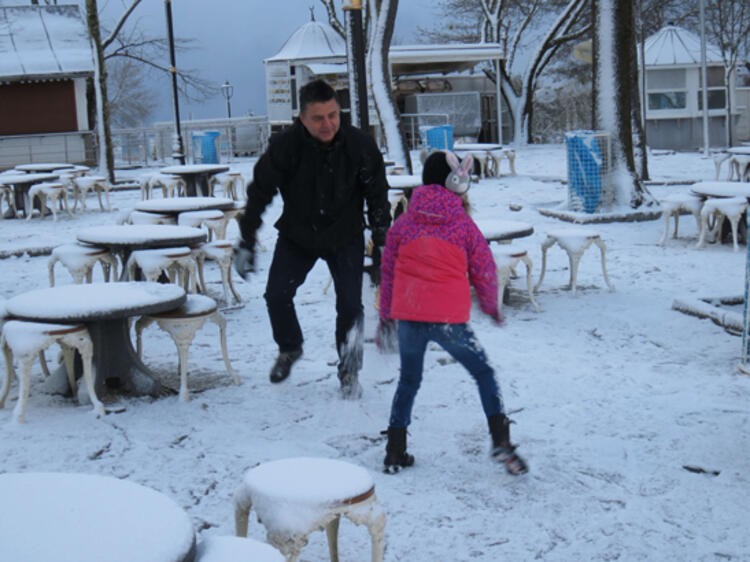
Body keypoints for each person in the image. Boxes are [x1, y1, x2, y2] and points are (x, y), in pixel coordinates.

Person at [234, 79, 391, 399]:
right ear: (302, 118)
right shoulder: (285, 146)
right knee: (276, 295)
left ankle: (350, 369)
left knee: (350, 306)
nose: (328, 124)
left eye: (333, 115)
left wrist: (381, 239)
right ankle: (289, 348)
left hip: (345, 234)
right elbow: (260, 191)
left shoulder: (359, 145)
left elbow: (377, 194)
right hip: (298, 234)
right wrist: (247, 239)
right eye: (318, 118)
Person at [377, 150, 529, 475]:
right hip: (449, 320)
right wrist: (491, 305)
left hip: (410, 315)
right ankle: (501, 440)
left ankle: (395, 450)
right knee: (483, 373)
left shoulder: (403, 224)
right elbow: (484, 268)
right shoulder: (462, 225)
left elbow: (387, 272)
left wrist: (386, 316)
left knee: (408, 380)